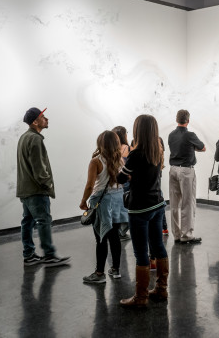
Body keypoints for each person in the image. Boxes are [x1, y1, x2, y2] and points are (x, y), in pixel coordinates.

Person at [117, 114, 169, 307]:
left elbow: (121, 178)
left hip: (140, 208)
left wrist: (128, 174)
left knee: (141, 252)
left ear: (138, 130)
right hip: (157, 205)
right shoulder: (158, 150)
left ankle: (140, 297)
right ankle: (161, 289)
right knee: (158, 247)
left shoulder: (136, 154)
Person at [16, 107, 70, 267]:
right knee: (44, 220)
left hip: (25, 190)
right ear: (35, 121)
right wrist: (47, 185)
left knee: (27, 221)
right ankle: (49, 255)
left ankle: (29, 255)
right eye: (43, 117)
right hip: (36, 190)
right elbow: (39, 169)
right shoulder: (35, 139)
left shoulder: (24, 137)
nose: (47, 119)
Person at [78, 131, 128, 284]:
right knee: (114, 237)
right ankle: (116, 269)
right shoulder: (120, 160)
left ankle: (99, 273)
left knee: (101, 238)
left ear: (100, 143)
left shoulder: (96, 161)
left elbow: (89, 186)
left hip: (102, 201)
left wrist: (83, 201)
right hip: (118, 199)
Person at [168, 109, 206, 244]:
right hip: (186, 171)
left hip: (173, 170)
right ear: (188, 121)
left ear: (176, 120)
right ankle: (187, 235)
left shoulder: (171, 135)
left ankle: (177, 235)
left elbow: (176, 148)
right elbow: (203, 147)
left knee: (174, 204)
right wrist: (192, 148)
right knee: (187, 203)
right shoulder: (190, 135)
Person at [112, 126, 132, 241]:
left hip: (116, 182)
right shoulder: (128, 149)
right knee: (128, 207)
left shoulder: (112, 149)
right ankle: (122, 232)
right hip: (127, 181)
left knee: (118, 207)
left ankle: (118, 232)